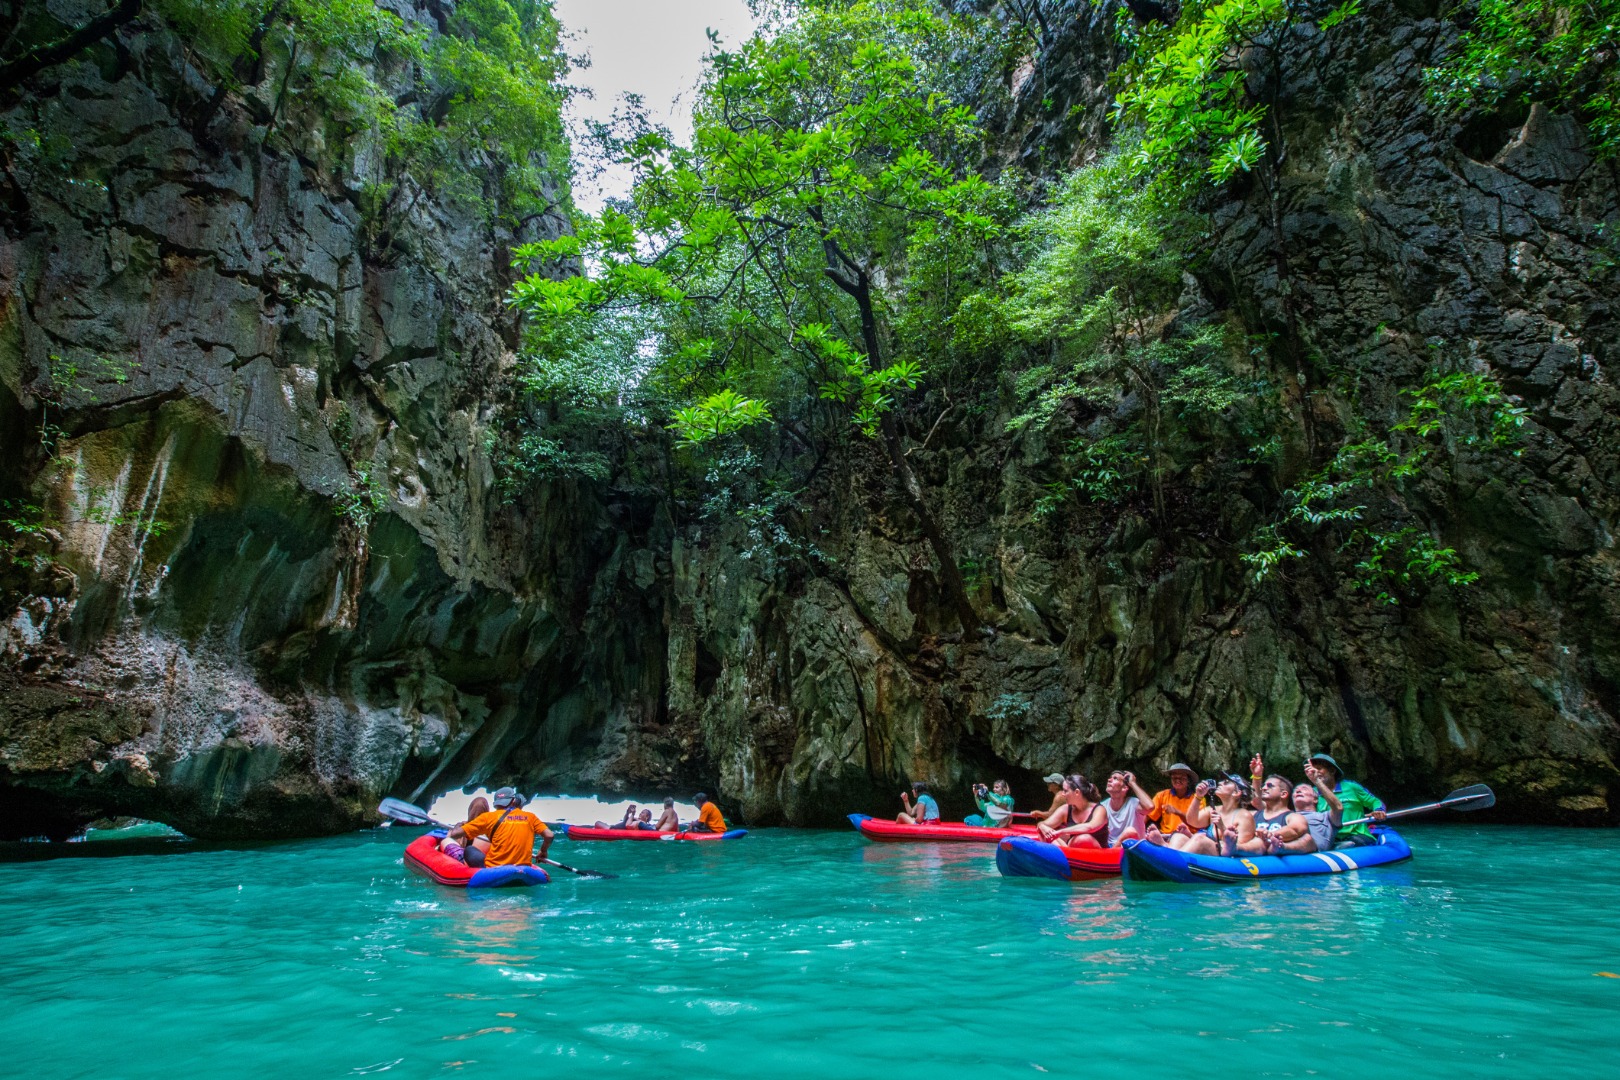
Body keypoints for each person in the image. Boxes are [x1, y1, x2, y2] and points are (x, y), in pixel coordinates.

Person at [445, 787, 552, 867]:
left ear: (496, 803)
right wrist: (543, 851)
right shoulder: (530, 817)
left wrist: (458, 826)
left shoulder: (488, 818)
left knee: (469, 850)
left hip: (495, 868)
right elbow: (549, 835)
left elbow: (455, 834)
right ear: (514, 801)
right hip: (522, 867)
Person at [1307, 753, 1386, 847]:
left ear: (1332, 771)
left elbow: (1374, 801)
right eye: (1313, 770)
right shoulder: (1311, 793)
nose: (1316, 772)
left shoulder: (1352, 787)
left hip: (1357, 835)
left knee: (1354, 842)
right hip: (1329, 838)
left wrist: (1379, 810)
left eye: (1319, 769)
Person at [1175, 773, 1256, 857]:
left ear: (1236, 793)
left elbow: (1236, 848)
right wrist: (1198, 796)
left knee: (1200, 839)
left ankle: (1174, 861)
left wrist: (1221, 827)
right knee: (1179, 837)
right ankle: (1167, 862)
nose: (1220, 783)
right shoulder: (1214, 809)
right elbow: (1192, 821)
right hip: (1212, 854)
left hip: (1228, 860)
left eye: (1226, 782)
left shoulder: (1244, 816)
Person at [1125, 764, 1199, 850]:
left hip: (1187, 836)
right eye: (1174, 778)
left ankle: (1164, 845)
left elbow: (1196, 822)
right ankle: (1160, 842)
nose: (1178, 780)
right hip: (1166, 835)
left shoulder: (1197, 799)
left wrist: (1177, 812)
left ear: (1188, 781)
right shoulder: (1162, 795)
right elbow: (1147, 816)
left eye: (1182, 778)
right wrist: (1137, 832)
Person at [1036, 774, 1109, 847]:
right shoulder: (1065, 809)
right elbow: (1043, 824)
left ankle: (1065, 854)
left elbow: (1090, 827)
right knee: (1043, 830)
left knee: (1083, 839)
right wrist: (1042, 826)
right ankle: (1060, 856)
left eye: (1065, 791)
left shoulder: (1099, 809)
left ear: (1077, 792)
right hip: (1071, 850)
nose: (1063, 794)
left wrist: (1061, 832)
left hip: (1098, 854)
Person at [439, 796, 491, 866]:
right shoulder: (493, 826)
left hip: (471, 861)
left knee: (446, 841)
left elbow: (450, 838)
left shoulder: (460, 827)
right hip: (480, 861)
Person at [1102, 770, 1145, 846]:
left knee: (1130, 832)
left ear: (1124, 788)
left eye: (1115, 778)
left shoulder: (1133, 803)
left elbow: (1150, 807)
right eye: (1110, 778)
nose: (1109, 780)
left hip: (1131, 847)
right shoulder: (1103, 806)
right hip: (1110, 847)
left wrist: (1132, 783)